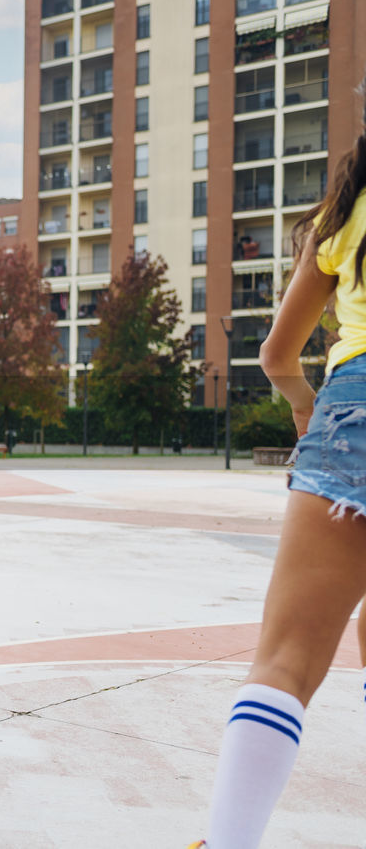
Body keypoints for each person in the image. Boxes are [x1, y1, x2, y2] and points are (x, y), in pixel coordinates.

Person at [189, 97, 366, 848]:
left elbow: (276, 356)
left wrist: (305, 409)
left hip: (353, 408)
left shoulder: (344, 216)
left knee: (286, 660)